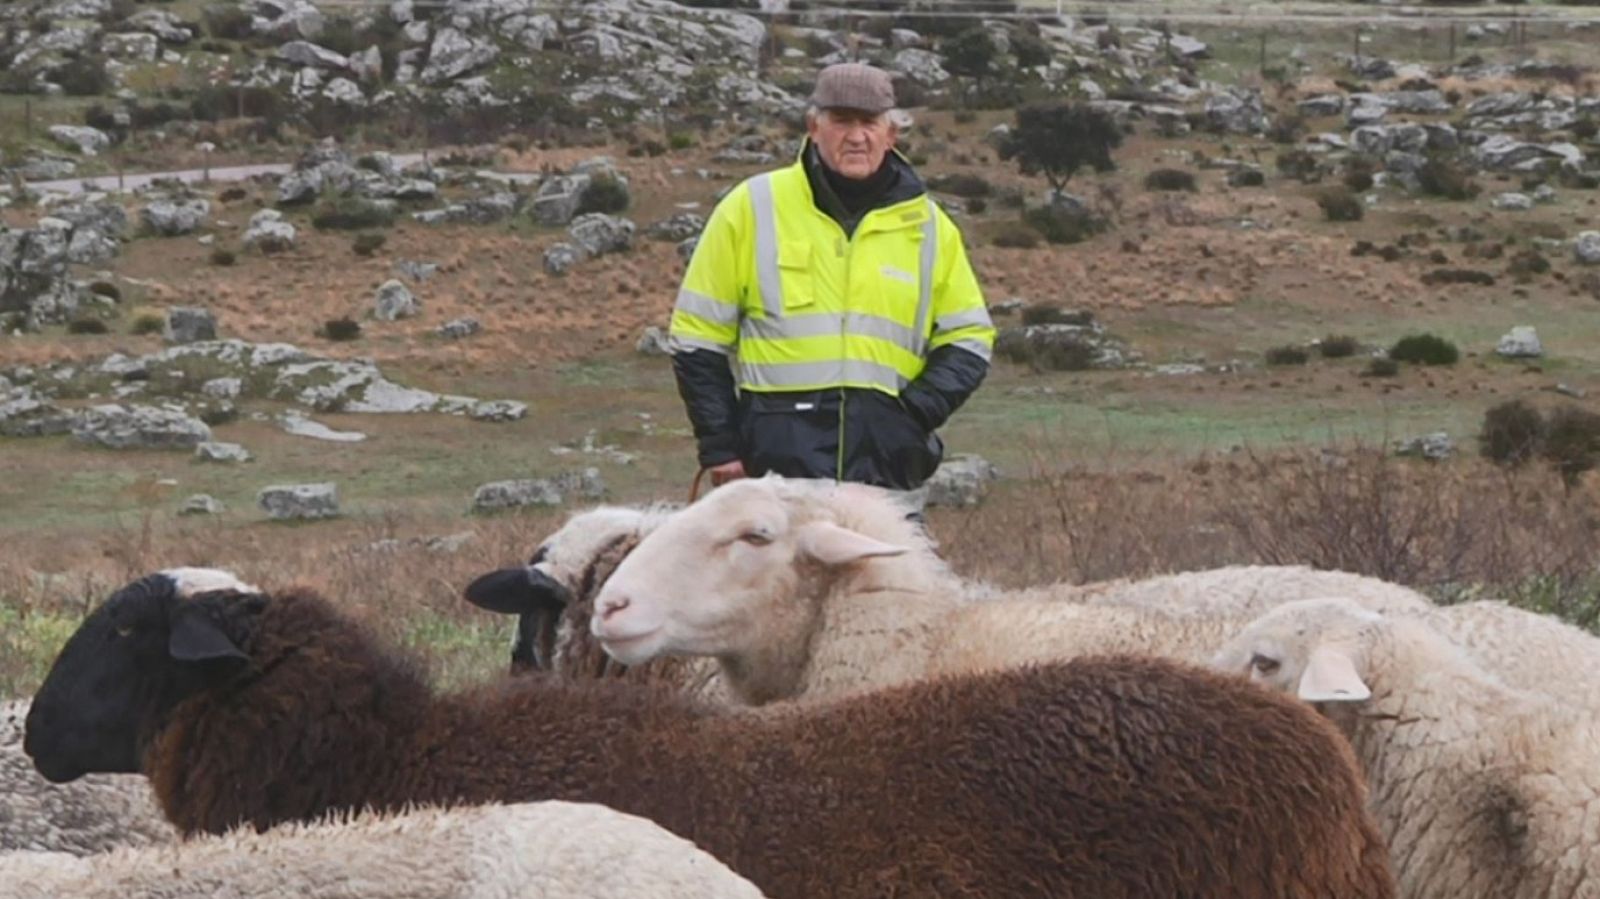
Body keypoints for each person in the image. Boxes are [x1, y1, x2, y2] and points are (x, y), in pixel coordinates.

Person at [668, 63, 995, 493]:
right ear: (813, 127)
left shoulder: (930, 226)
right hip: (773, 478)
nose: (856, 136)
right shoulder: (751, 206)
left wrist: (911, 415)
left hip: (885, 477)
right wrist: (721, 447)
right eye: (842, 121)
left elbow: (970, 337)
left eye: (869, 122)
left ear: (891, 134)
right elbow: (696, 335)